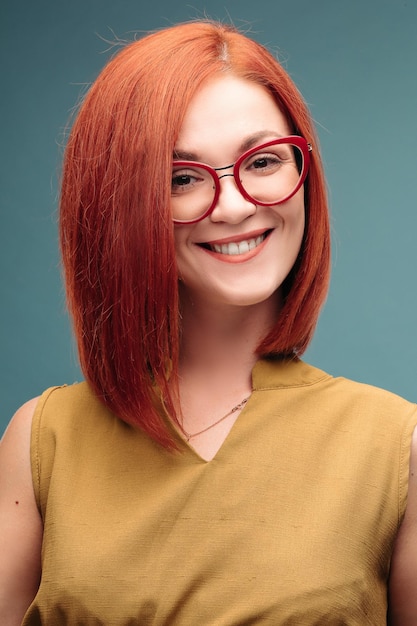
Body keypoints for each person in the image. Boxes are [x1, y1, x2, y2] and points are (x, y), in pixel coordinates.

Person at [0, 20, 416, 626]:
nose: (237, 205)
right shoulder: (41, 442)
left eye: (265, 160)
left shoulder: (398, 448)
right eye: (182, 178)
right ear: (120, 203)